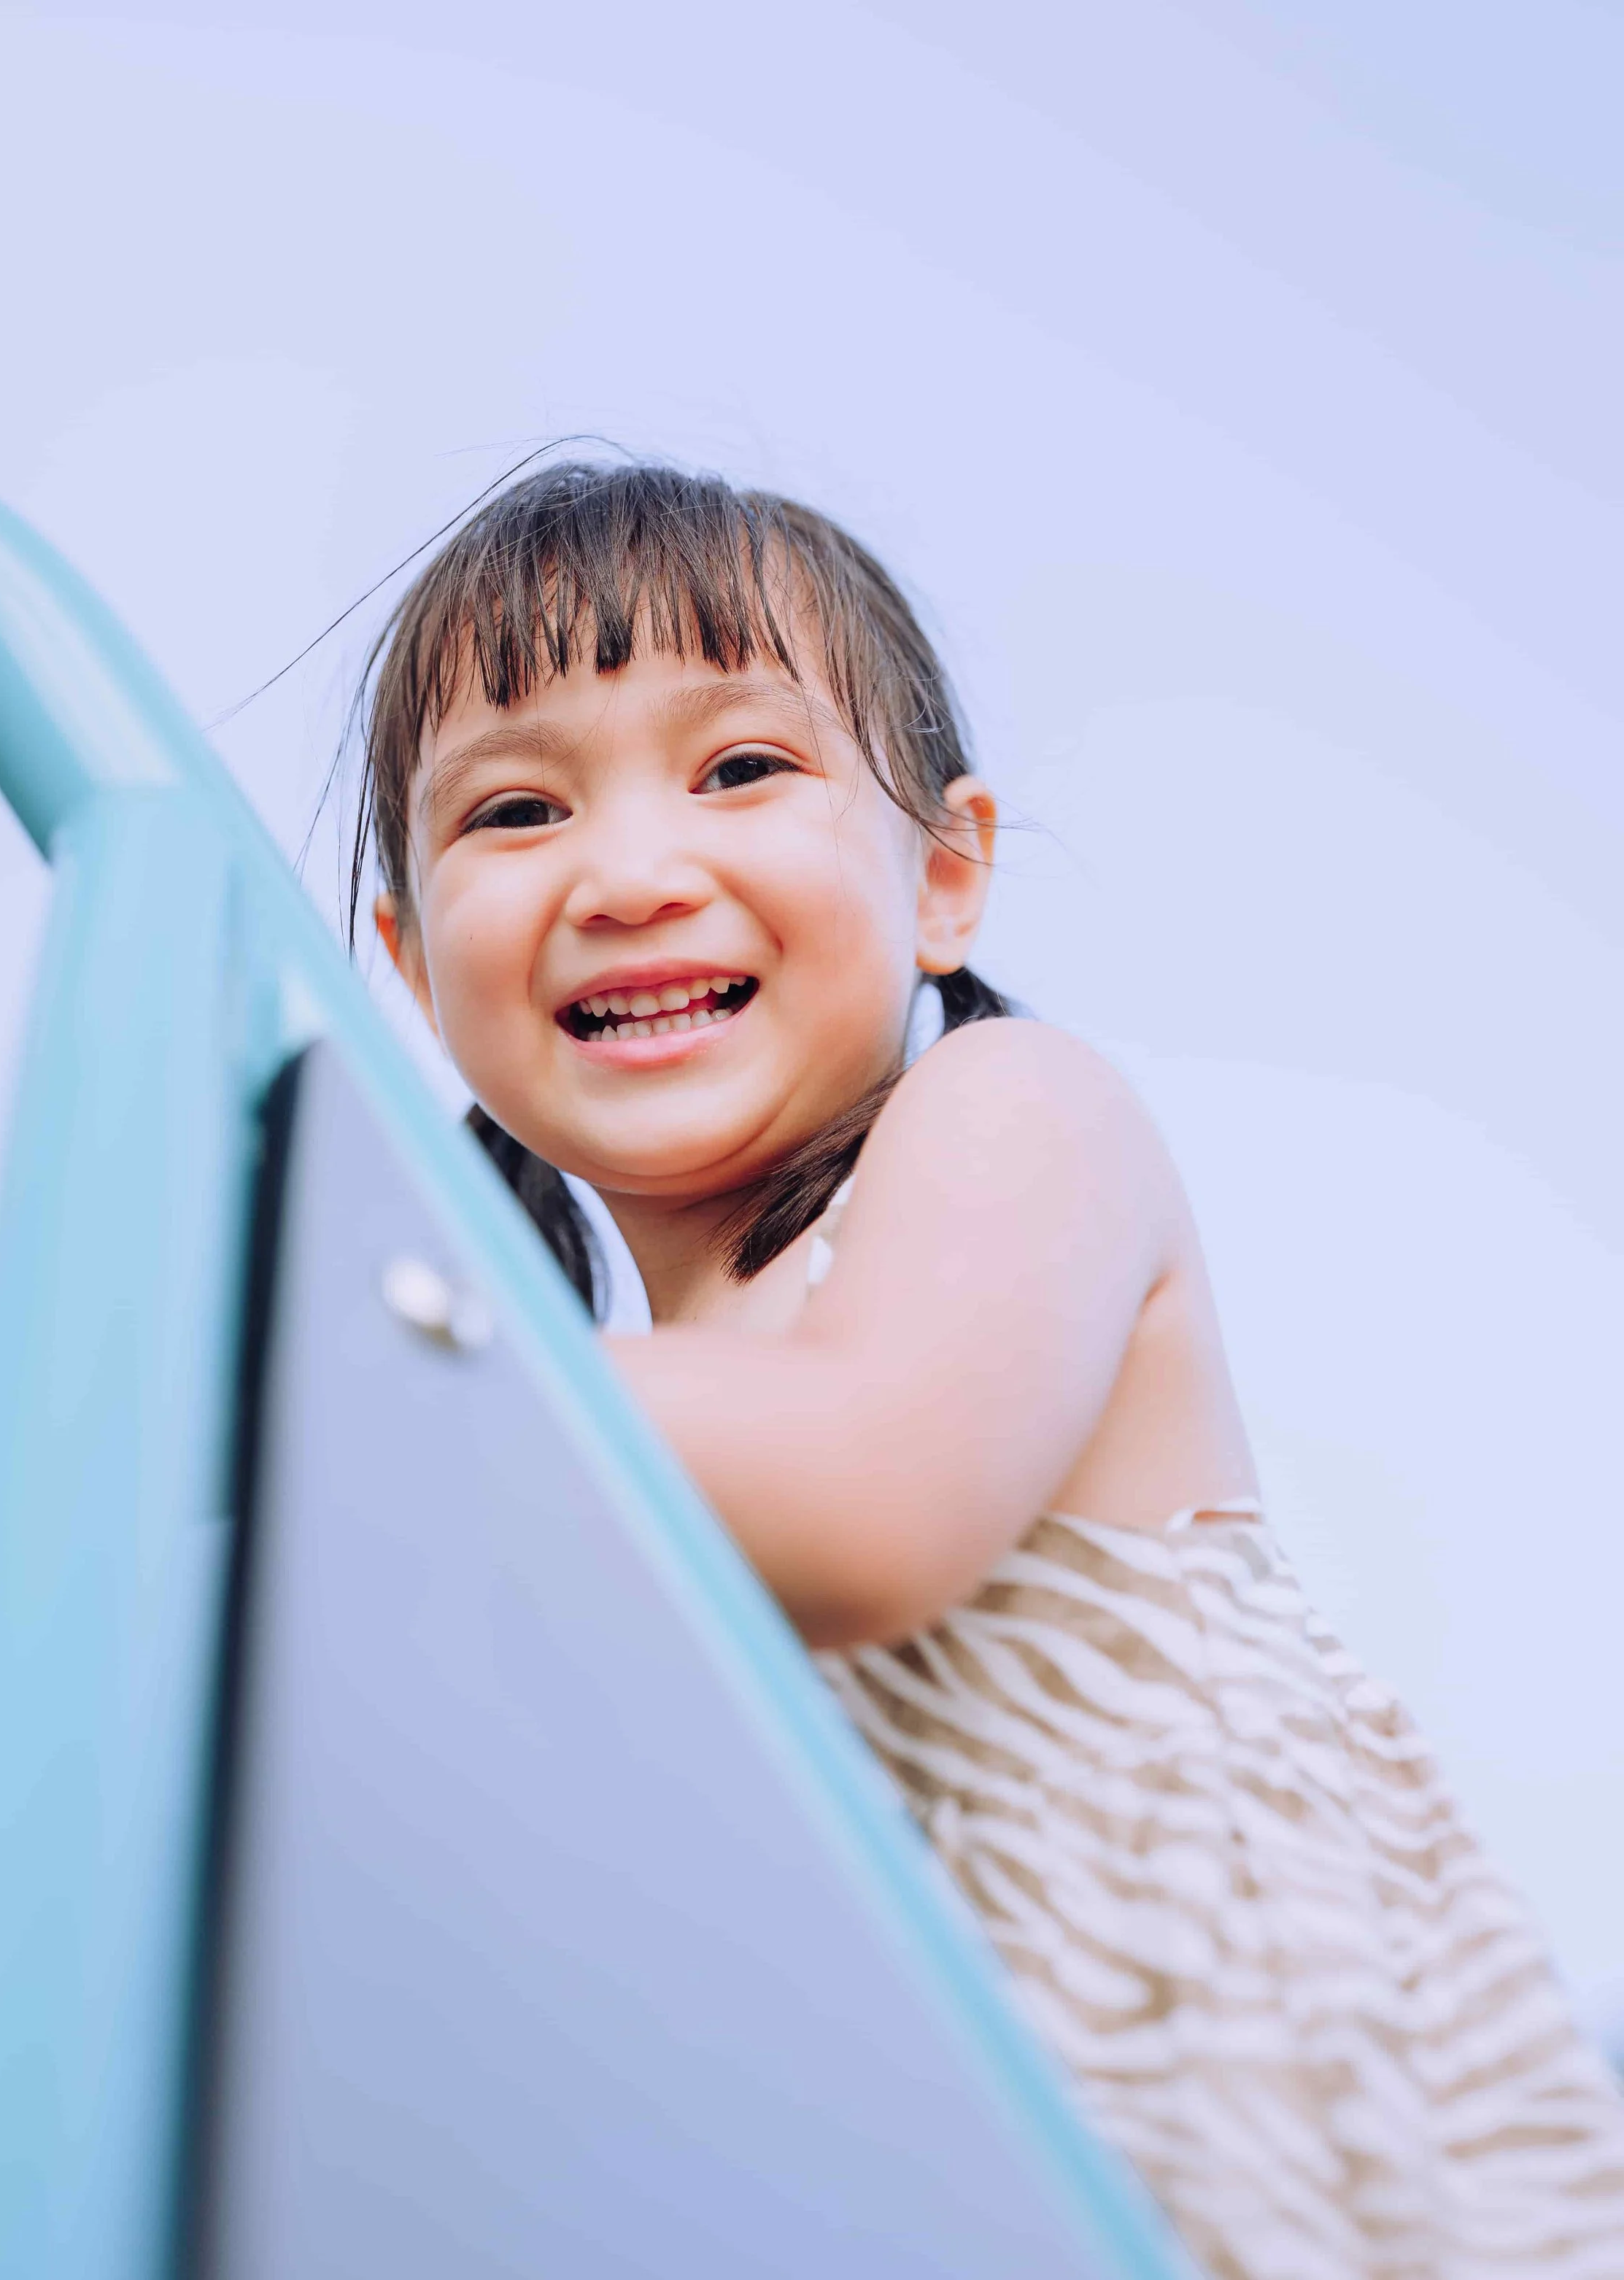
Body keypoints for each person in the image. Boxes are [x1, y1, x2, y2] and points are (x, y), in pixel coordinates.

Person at [353, 462, 1624, 2278]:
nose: (629, 874)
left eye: (739, 768)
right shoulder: (550, 1440)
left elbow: (876, 1491)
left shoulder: (1001, 1119)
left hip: (1272, 2194)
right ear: (408, 965)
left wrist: (317, 1366)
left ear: (946, 876)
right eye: (516, 808)